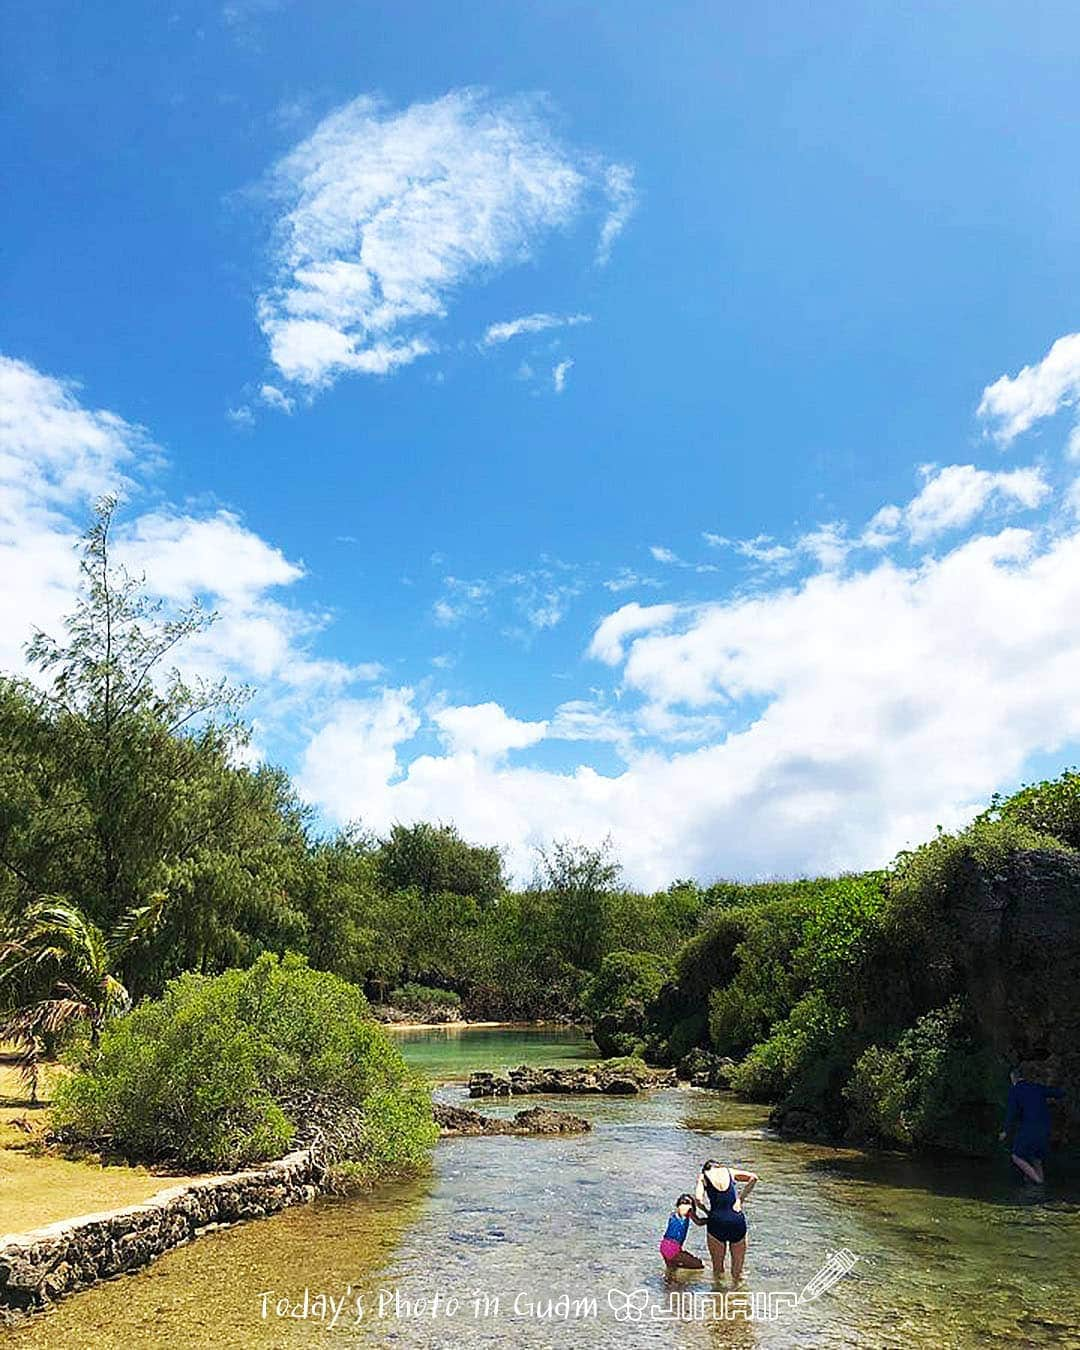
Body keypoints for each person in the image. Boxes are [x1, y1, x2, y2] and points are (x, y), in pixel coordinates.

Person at [999, 1066, 1066, 1184]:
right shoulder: (1036, 1087)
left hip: (1030, 1127)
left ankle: (1038, 1181)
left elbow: (1011, 1113)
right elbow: (1058, 1093)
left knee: (1016, 1156)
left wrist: (1005, 1131)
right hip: (1045, 1127)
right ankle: (1039, 1181)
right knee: (1036, 1157)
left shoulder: (1015, 1091)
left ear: (1012, 1078)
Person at [695, 1159, 758, 1279]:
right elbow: (754, 1177)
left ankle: (719, 1295)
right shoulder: (729, 1171)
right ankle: (738, 1295)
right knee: (738, 1272)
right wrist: (740, 1200)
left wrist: (707, 1211)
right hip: (736, 1219)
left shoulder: (703, 1177)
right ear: (719, 1166)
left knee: (718, 1270)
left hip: (716, 1221)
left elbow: (698, 1199)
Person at [658, 1192, 706, 1274]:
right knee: (700, 1265)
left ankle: (671, 1285)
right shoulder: (687, 1209)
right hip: (673, 1247)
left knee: (671, 1272)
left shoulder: (674, 1214)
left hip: (664, 1245)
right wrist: (712, 1219)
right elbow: (698, 1222)